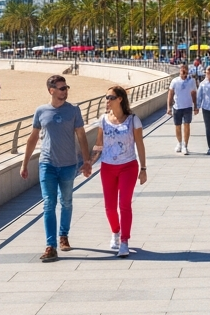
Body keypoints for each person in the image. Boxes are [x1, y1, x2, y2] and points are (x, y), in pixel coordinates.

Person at [20, 75, 92, 262]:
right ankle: (50, 246)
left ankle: (63, 236)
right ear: (51, 90)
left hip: (69, 164)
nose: (65, 91)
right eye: (61, 88)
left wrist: (86, 161)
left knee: (66, 201)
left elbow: (81, 136)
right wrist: (24, 163)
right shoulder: (41, 111)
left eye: (66, 88)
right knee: (48, 204)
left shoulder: (74, 110)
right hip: (47, 164)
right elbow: (32, 138)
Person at [91, 85, 146, 257]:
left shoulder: (133, 120)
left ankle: (124, 241)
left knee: (124, 204)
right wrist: (90, 162)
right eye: (106, 97)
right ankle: (115, 232)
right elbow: (99, 144)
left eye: (111, 97)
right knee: (109, 207)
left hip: (128, 166)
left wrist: (143, 168)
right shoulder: (103, 119)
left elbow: (140, 144)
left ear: (120, 99)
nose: (107, 100)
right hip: (107, 167)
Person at [167, 64, 199, 155]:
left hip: (188, 107)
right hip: (177, 107)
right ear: (180, 71)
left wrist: (195, 106)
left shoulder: (191, 81)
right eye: (182, 70)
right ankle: (179, 143)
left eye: (185, 70)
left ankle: (185, 145)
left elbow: (194, 94)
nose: (184, 71)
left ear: (188, 71)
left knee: (187, 125)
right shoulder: (175, 81)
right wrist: (168, 107)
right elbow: (170, 94)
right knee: (177, 126)